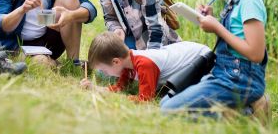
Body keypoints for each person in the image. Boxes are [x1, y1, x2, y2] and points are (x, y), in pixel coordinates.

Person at [159, 0, 270, 118]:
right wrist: (213, 20)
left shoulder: (249, 0)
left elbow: (256, 54)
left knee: (169, 111)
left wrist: (218, 27)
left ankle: (248, 115)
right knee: (165, 102)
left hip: (240, 81)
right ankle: (239, 110)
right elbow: (236, 35)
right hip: (224, 74)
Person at [80, 32, 212, 102]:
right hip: (189, 54)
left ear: (116, 62)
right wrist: (93, 88)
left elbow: (145, 99)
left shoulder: (144, 64)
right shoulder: (127, 63)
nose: (105, 73)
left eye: (104, 70)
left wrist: (125, 99)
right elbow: (119, 88)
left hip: (202, 60)